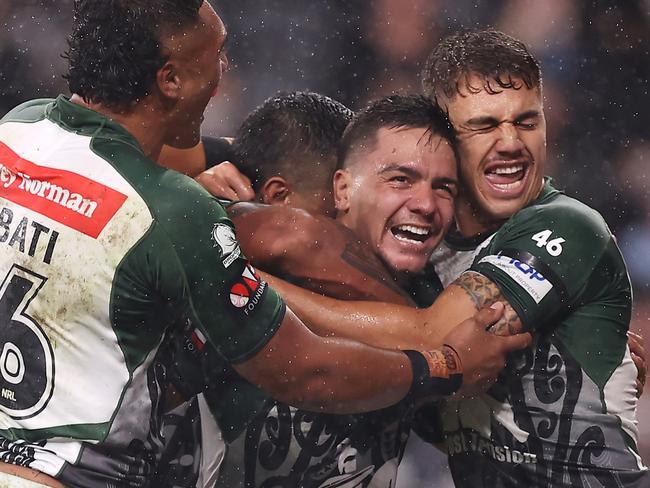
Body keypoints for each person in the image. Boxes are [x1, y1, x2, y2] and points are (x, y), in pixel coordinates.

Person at [0, 1, 532, 485]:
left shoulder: (18, 130)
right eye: (217, 54)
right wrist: (441, 364)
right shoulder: (174, 214)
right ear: (170, 80)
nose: (224, 71)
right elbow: (306, 368)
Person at [265, 29, 649, 486]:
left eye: (527, 122)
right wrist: (216, 162)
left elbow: (432, 336)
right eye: (485, 126)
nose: (511, 143)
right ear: (444, 141)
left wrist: (245, 286)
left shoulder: (567, 226)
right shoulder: (422, 251)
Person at [198, 93, 461, 487]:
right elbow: (292, 234)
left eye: (443, 187)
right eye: (399, 179)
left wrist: (250, 280)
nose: (342, 211)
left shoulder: (429, 281)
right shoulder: (216, 236)